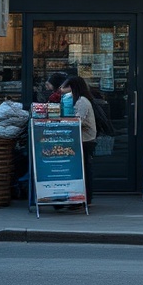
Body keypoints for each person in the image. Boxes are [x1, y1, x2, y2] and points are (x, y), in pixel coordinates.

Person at [60, 75, 97, 205]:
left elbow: (78, 120)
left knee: (84, 169)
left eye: (67, 87)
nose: (64, 89)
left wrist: (62, 123)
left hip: (85, 140)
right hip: (83, 138)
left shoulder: (82, 101)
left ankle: (85, 197)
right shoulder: (80, 100)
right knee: (84, 168)